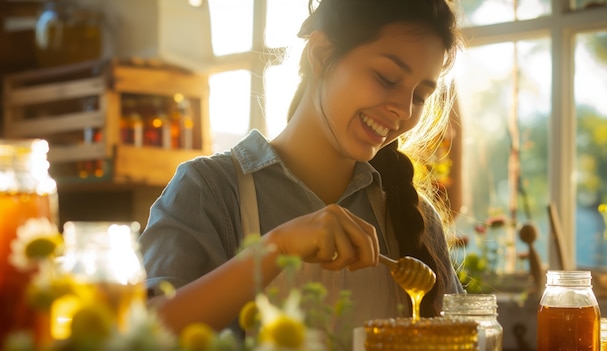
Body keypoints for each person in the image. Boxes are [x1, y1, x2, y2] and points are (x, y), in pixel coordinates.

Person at [139, 0, 465, 340]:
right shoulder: (209, 190)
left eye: (419, 97)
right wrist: (276, 249)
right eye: (386, 78)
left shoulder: (414, 217)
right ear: (322, 54)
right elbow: (141, 336)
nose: (402, 108)